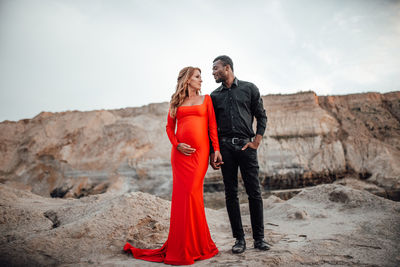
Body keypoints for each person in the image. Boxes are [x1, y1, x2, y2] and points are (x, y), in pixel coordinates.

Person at [124, 66, 222, 265]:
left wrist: (216, 150)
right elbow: (169, 127)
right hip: (180, 156)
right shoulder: (176, 102)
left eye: (201, 77)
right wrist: (177, 145)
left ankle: (198, 245)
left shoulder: (207, 100)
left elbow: (212, 125)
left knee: (192, 195)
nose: (201, 80)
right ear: (187, 80)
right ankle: (184, 246)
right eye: (197, 77)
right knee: (182, 198)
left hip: (200, 154)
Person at [209, 55, 270, 254]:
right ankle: (239, 240)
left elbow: (261, 115)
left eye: (216, 68)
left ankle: (259, 239)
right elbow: (210, 127)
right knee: (231, 194)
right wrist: (213, 152)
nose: (213, 72)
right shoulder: (214, 96)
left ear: (227, 68)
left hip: (246, 147)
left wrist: (256, 142)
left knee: (254, 192)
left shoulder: (249, 88)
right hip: (225, 149)